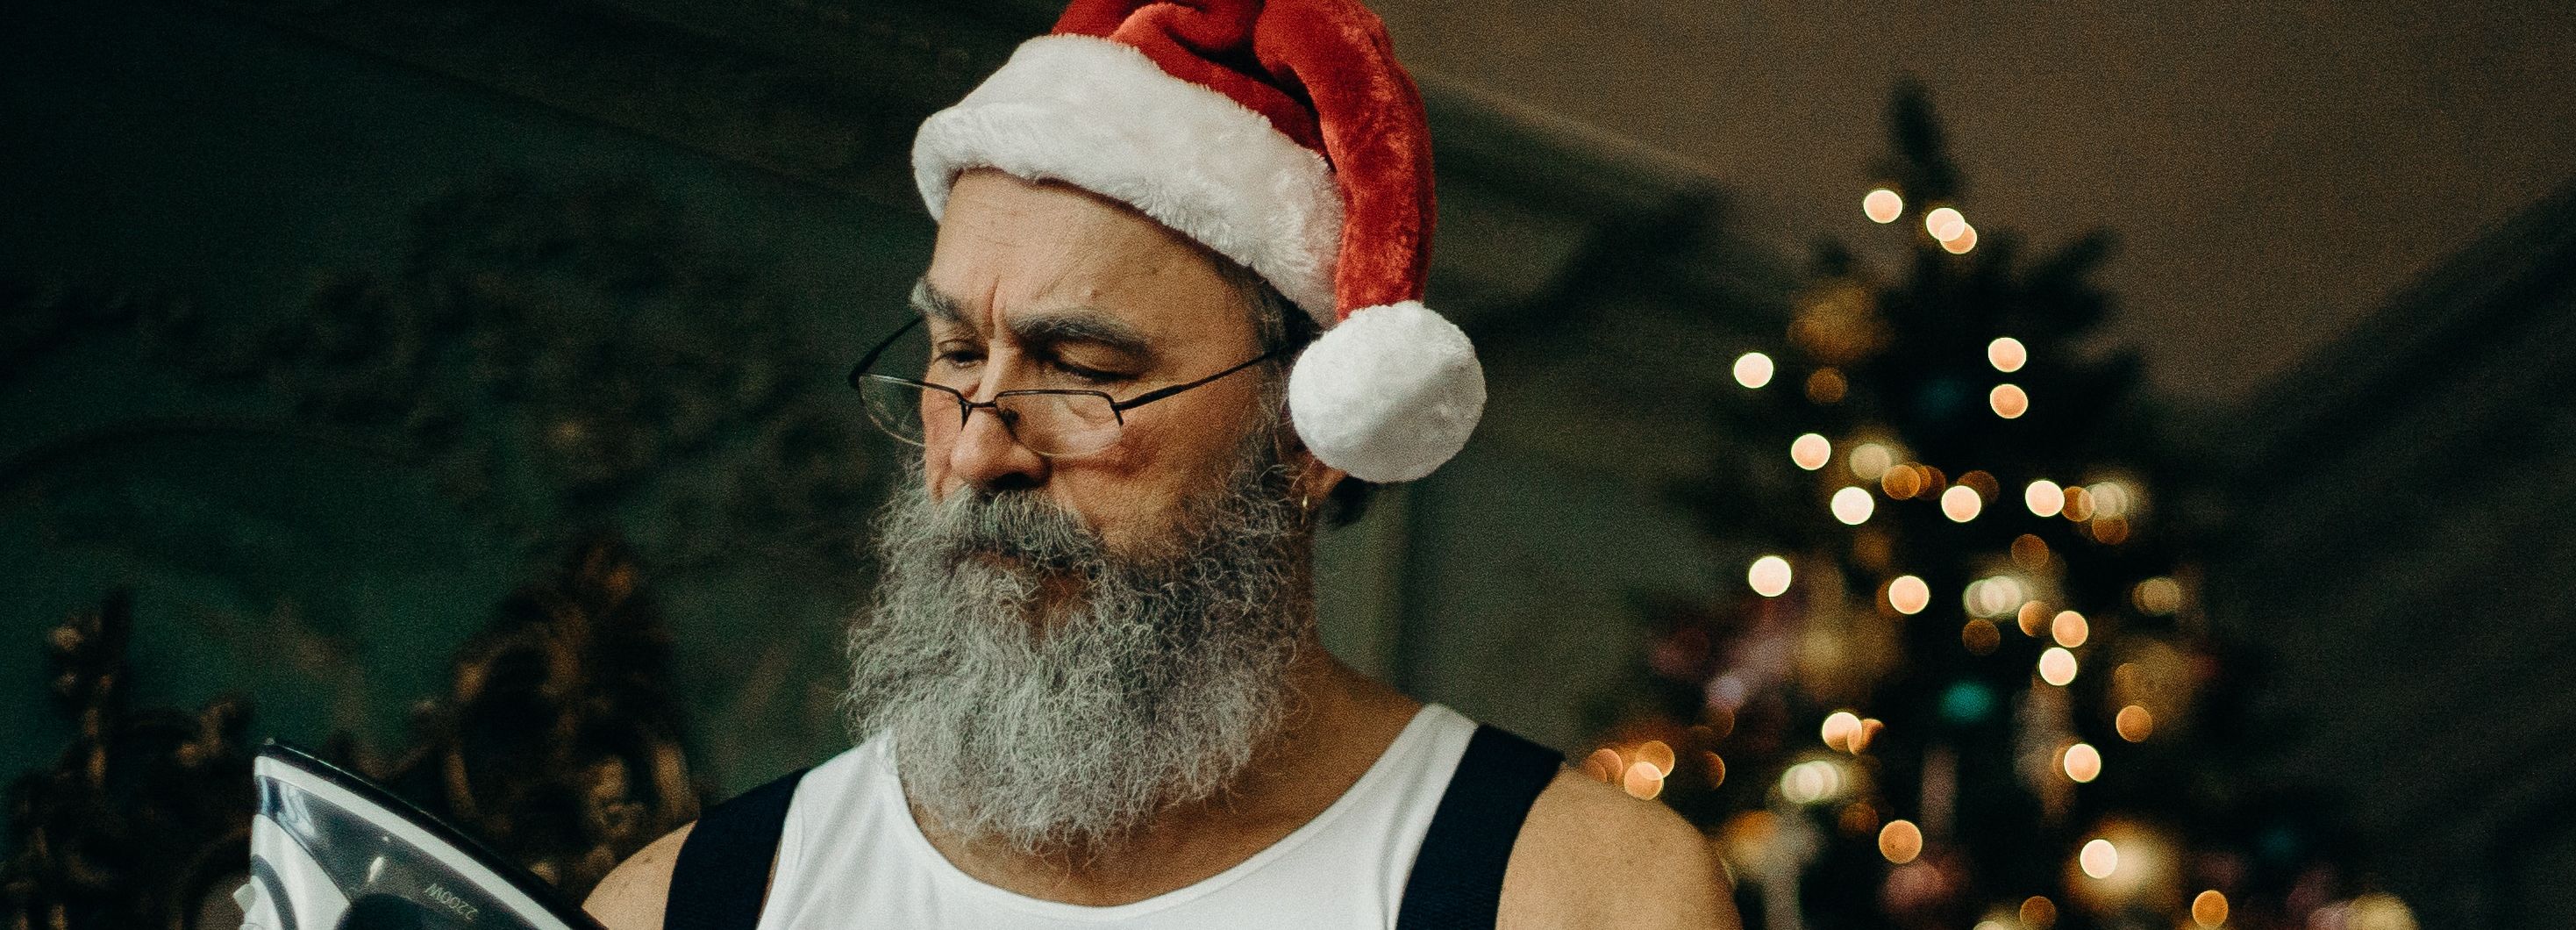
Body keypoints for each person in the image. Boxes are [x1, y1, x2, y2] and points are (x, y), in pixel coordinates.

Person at [578, 0, 1737, 926]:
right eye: (957, 352)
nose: (977, 449)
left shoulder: (1581, 898)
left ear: (1309, 433)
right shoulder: (680, 908)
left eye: (1080, 369)